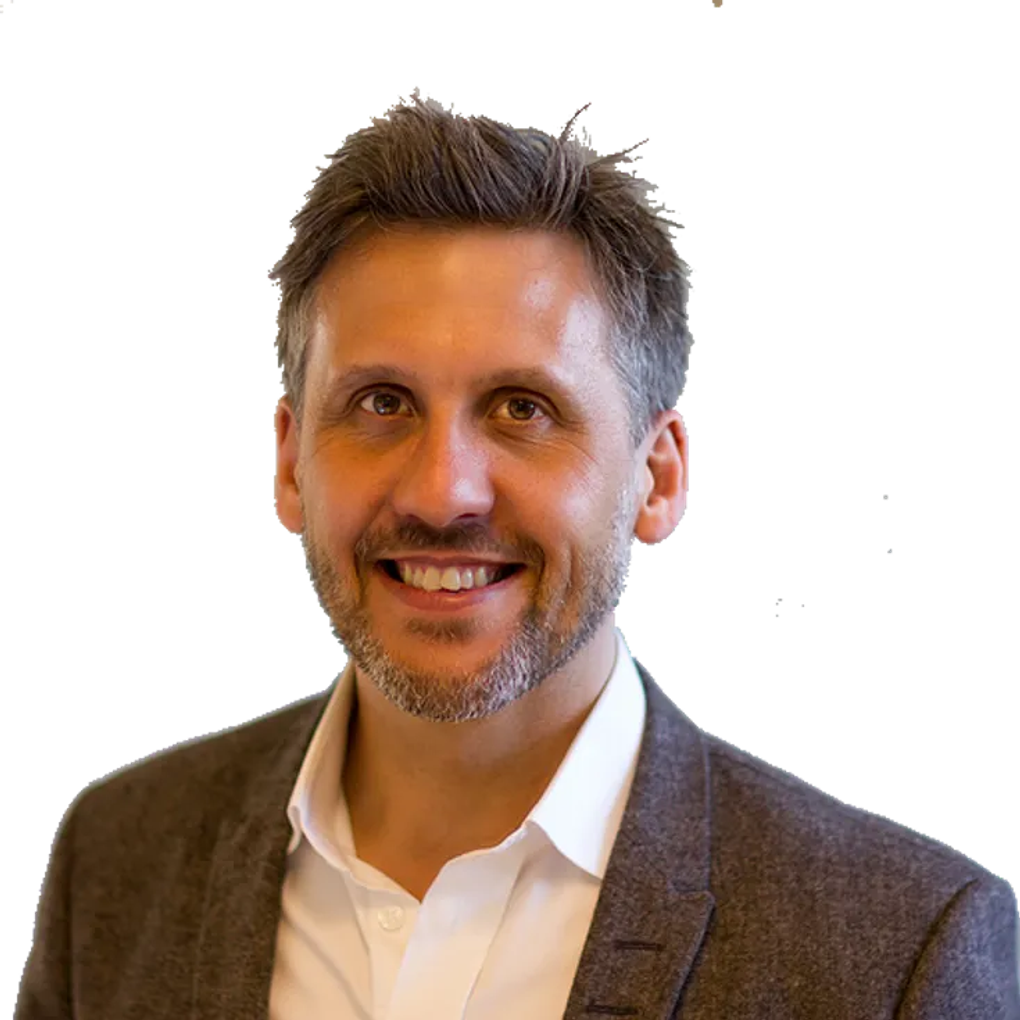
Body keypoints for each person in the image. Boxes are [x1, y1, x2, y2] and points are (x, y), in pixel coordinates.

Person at [15, 90, 1017, 1019]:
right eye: (382, 403)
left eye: (521, 409)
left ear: (657, 477)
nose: (441, 492)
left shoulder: (898, 952)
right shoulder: (117, 859)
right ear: (289, 464)